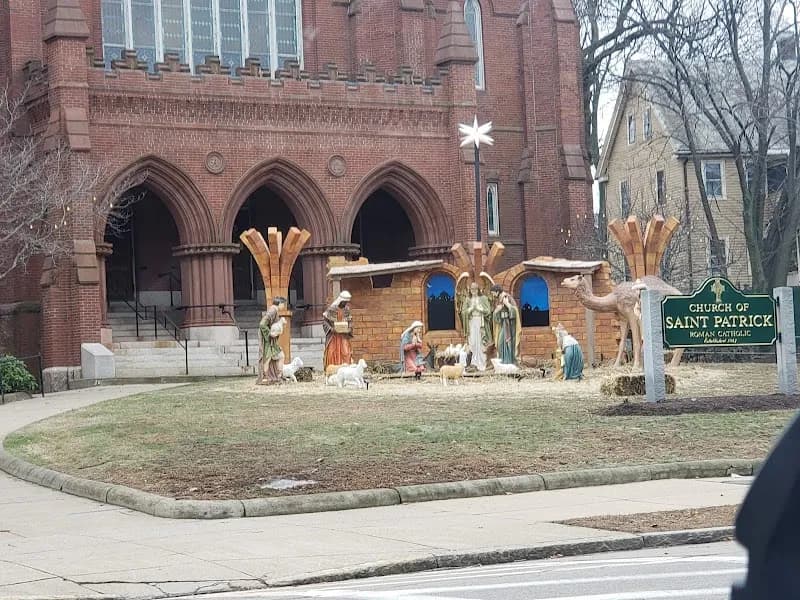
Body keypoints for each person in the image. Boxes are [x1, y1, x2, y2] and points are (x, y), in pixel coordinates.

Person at [459, 281, 492, 371]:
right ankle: (473, 362)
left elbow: (488, 311)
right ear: (470, 290)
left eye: (475, 289)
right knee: (472, 342)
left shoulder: (483, 298)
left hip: (481, 322)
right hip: (471, 322)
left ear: (478, 290)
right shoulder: (467, 299)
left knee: (481, 342)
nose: (473, 291)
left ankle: (482, 362)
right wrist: (470, 309)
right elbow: (463, 312)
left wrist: (479, 309)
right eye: (472, 289)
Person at [490, 284, 521, 365]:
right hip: (503, 324)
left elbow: (514, 312)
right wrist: (496, 312)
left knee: (506, 342)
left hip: (509, 326)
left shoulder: (507, 297)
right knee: (500, 343)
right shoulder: (498, 299)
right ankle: (503, 361)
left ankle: (508, 362)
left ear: (497, 291)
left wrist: (507, 304)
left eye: (493, 293)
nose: (493, 295)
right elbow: (498, 317)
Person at [258, 296, 286, 384]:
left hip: (271, 340)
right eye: (283, 304)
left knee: (279, 356)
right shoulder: (272, 310)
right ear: (280, 303)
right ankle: (266, 377)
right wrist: (270, 334)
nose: (284, 306)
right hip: (268, 340)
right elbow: (262, 324)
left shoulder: (274, 311)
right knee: (268, 358)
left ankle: (278, 376)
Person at [322, 290, 353, 369]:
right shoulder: (332, 308)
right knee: (332, 353)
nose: (345, 303)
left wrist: (349, 328)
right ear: (340, 300)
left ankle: (346, 369)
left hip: (343, 335)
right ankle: (333, 371)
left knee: (346, 352)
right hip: (334, 336)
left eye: (346, 302)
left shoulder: (347, 309)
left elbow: (350, 321)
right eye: (344, 301)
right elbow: (325, 321)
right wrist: (331, 329)